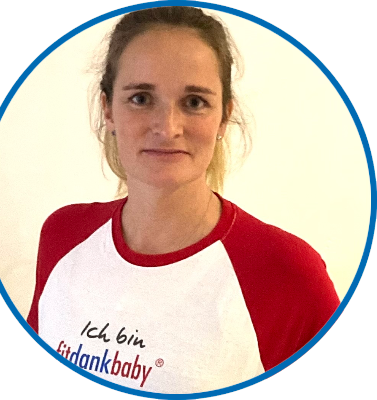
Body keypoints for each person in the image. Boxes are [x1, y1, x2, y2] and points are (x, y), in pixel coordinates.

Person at [27, 6, 340, 394]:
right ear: (108, 110)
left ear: (223, 117)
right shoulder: (63, 234)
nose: (167, 127)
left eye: (194, 102)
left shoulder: (288, 274)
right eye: (141, 98)